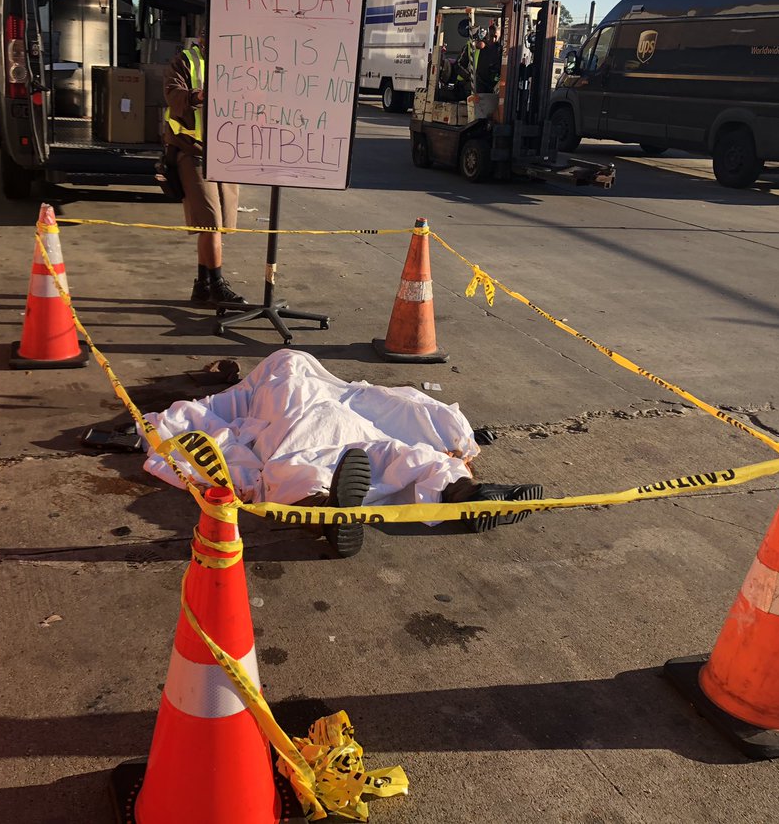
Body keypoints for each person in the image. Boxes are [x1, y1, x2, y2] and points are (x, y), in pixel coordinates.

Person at [142, 350, 544, 557]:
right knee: (389, 446)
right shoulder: (273, 380)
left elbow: (202, 417)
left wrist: (171, 424)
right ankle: (460, 491)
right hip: (336, 408)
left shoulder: (256, 384)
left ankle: (323, 510)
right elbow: (370, 396)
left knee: (293, 457)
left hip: (315, 408)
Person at [163, 31, 245, 307]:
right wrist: (198, 96)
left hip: (227, 153)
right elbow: (173, 95)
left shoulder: (239, 64)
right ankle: (217, 285)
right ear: (203, 36)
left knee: (217, 224)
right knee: (211, 223)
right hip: (193, 150)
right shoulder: (186, 61)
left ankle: (202, 284)